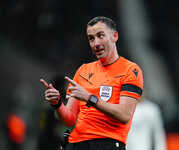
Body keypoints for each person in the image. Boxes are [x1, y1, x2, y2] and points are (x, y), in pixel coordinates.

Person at [40, 16, 143, 150]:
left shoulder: (130, 70)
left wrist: (89, 98)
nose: (96, 43)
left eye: (101, 36)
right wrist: (57, 104)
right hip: (77, 144)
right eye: (91, 38)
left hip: (108, 144)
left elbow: (124, 115)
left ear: (115, 36)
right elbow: (69, 119)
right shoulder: (83, 70)